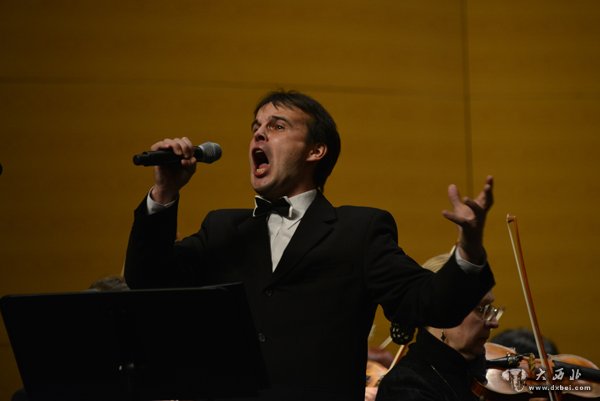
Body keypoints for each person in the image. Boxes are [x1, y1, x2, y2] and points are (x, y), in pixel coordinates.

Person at [124, 90, 495, 401]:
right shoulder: (222, 228)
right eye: (255, 127)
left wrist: (469, 248)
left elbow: (430, 304)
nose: (259, 135)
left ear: (316, 151)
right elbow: (149, 282)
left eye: (277, 126)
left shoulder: (359, 231)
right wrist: (164, 192)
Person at [375, 252, 502, 401]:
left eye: (491, 309)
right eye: (481, 309)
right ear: (442, 314)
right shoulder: (404, 386)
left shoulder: (476, 372)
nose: (494, 322)